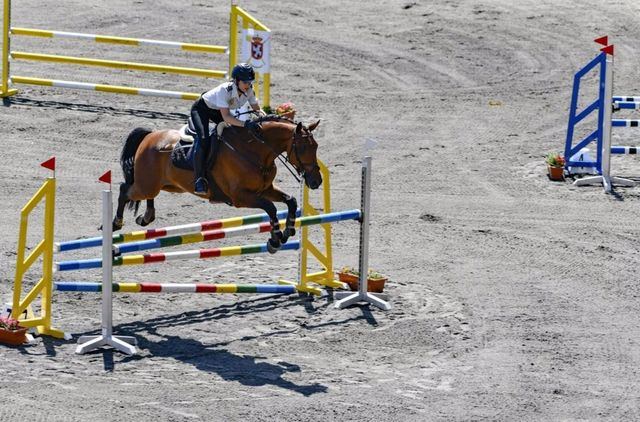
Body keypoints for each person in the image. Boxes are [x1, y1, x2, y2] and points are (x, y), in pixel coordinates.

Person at [188, 63, 266, 195]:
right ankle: (199, 179)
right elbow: (227, 117)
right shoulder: (225, 90)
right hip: (202, 110)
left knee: (234, 134)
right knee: (203, 138)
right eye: (245, 82)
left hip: (218, 111)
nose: (248, 85)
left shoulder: (249, 91)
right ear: (236, 81)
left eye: (250, 82)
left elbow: (257, 109)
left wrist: (266, 117)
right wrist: (245, 124)